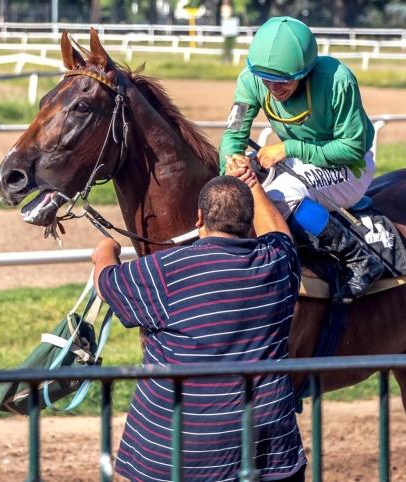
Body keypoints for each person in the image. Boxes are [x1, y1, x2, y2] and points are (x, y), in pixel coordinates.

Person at [91, 168, 306, 482]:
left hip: (175, 459)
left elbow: (107, 283)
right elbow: (277, 230)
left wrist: (105, 251)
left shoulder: (165, 271)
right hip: (268, 456)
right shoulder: (279, 261)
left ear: (200, 217)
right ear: (249, 224)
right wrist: (251, 182)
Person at [219, 16, 383, 303]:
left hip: (349, 165)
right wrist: (231, 164)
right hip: (300, 159)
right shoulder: (251, 80)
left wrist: (288, 148)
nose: (272, 87)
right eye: (265, 78)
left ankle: (359, 257)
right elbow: (233, 135)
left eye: (283, 80)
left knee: (277, 196)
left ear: (306, 71)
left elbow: (353, 149)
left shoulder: (337, 80)